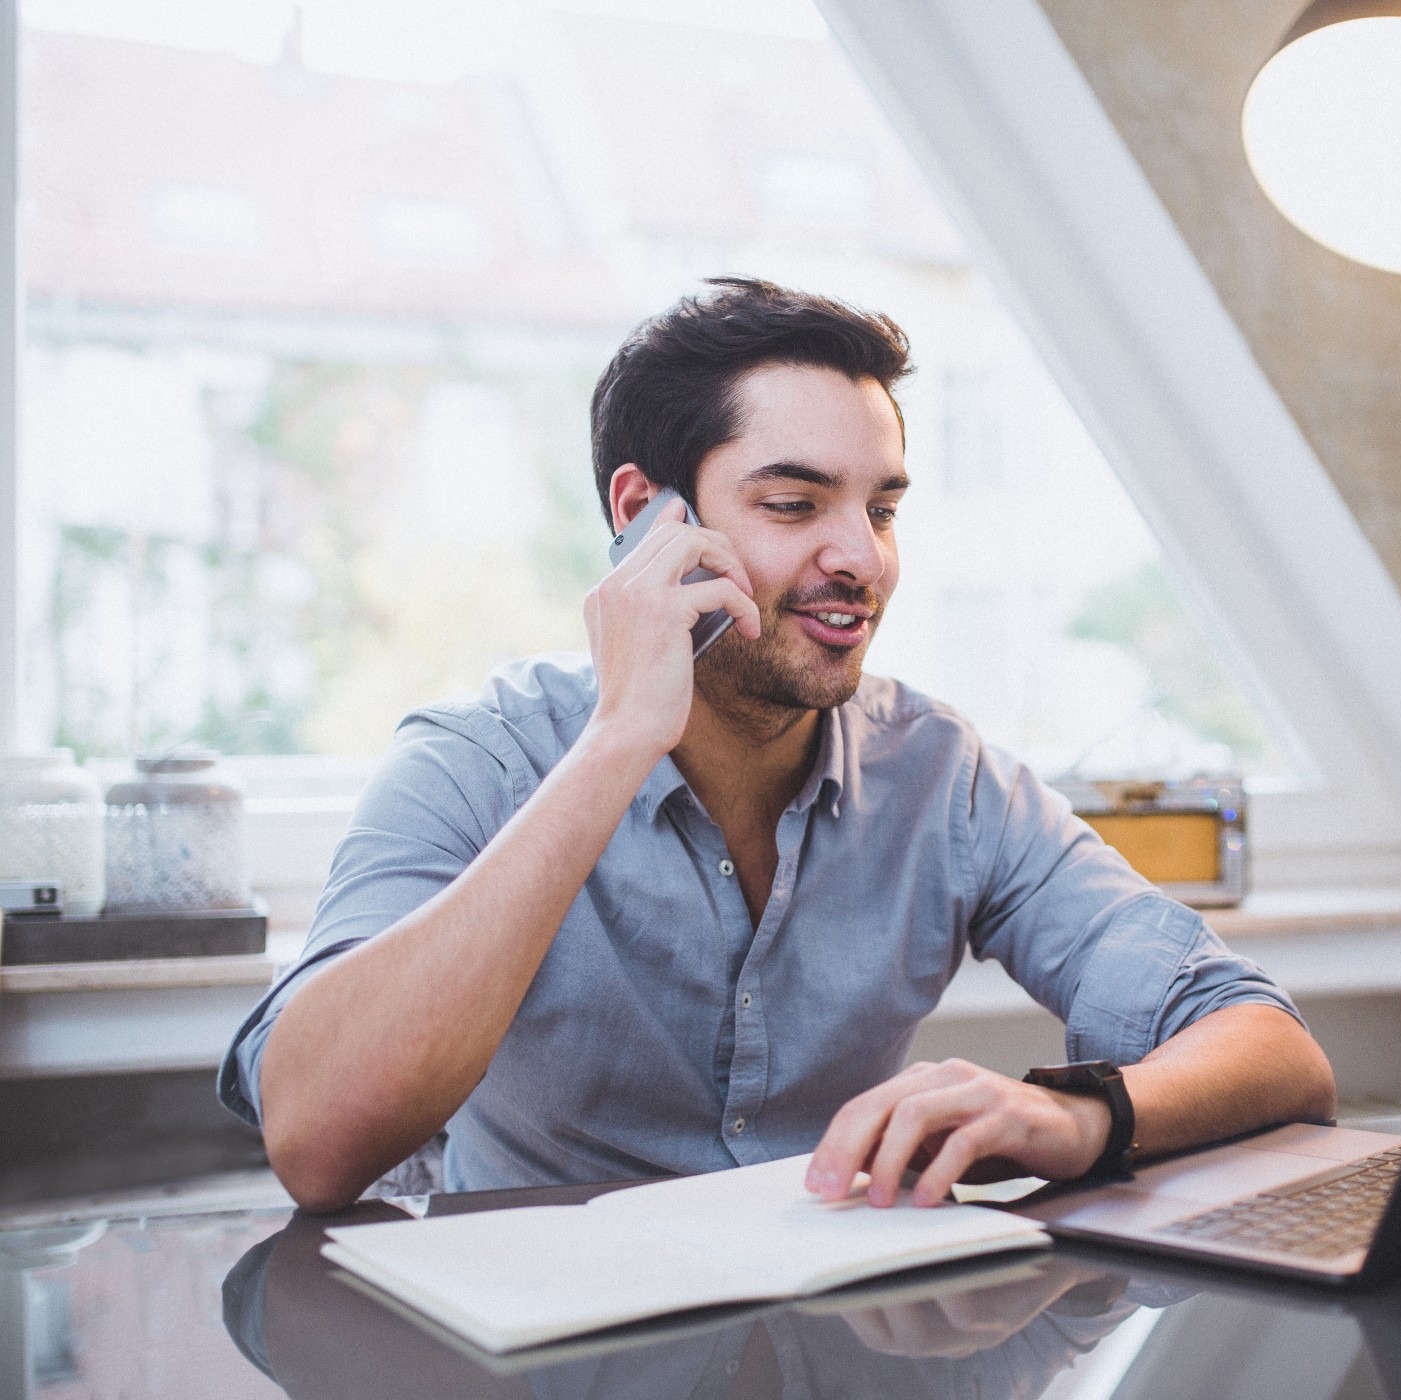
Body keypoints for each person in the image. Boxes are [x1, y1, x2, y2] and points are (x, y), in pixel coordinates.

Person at [219, 278, 1336, 1213]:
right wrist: (620, 737)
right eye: (797, 503)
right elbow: (316, 1143)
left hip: (832, 1342)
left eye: (883, 508)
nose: (863, 556)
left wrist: (1077, 1113)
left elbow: (1275, 1049)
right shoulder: (477, 760)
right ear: (648, 514)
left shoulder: (941, 774)